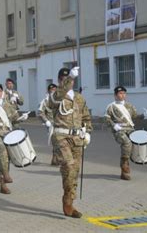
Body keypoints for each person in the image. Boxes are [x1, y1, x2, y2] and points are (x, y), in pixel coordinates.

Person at [47, 67, 92, 218]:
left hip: (77, 138)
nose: (68, 82)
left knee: (74, 172)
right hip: (61, 137)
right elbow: (55, 98)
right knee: (69, 166)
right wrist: (69, 78)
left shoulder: (79, 98)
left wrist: (88, 132)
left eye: (70, 79)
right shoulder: (56, 96)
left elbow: (86, 117)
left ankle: (69, 201)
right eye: (64, 79)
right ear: (60, 80)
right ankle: (67, 203)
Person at [104, 86, 147, 181]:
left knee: (133, 146)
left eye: (124, 93)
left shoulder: (129, 106)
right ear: (115, 95)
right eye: (120, 93)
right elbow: (106, 118)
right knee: (126, 143)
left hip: (130, 129)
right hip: (119, 130)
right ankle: (125, 166)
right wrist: (113, 125)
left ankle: (124, 169)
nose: (122, 95)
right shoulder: (111, 106)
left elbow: (135, 116)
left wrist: (144, 115)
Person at [38, 83, 59, 166]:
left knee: (60, 141)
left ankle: (56, 158)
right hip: (51, 124)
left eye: (54, 90)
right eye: (51, 90)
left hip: (61, 123)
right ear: (48, 91)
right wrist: (46, 121)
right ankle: (55, 158)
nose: (53, 92)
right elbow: (40, 112)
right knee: (55, 141)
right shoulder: (45, 101)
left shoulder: (60, 100)